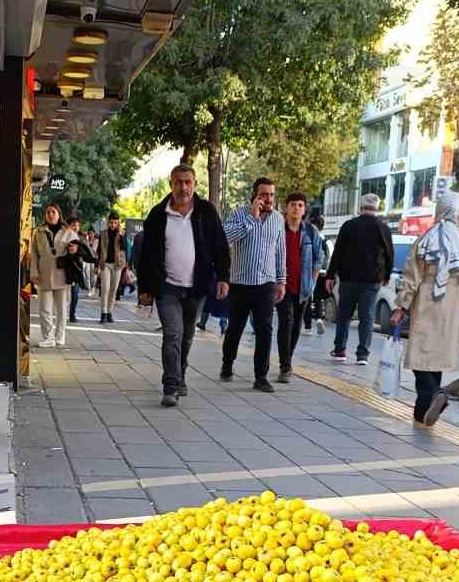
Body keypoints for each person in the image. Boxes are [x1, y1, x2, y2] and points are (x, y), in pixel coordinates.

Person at [137, 163, 231, 408]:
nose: (183, 187)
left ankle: (181, 375)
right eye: (178, 182)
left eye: (188, 182)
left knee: (187, 336)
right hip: (167, 286)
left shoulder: (206, 212)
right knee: (172, 333)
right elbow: (145, 256)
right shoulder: (158, 214)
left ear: (195, 184)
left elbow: (221, 246)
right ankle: (171, 385)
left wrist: (223, 277)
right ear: (171, 184)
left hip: (197, 287)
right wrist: (145, 289)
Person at [391, 190, 459, 427]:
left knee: (420, 355)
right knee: (436, 357)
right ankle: (423, 411)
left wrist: (401, 307)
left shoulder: (427, 237)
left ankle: (432, 396)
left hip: (427, 297)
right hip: (454, 301)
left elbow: (411, 275)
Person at [220, 177, 288, 392]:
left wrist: (281, 281)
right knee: (235, 328)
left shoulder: (278, 219)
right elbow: (226, 237)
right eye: (264, 194)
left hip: (265, 284)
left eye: (271, 195)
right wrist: (251, 218)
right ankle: (227, 363)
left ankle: (261, 376)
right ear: (254, 195)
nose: (268, 199)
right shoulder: (240, 214)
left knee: (265, 329)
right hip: (241, 282)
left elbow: (280, 251)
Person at [329, 193, 394, 364]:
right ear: (377, 207)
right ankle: (363, 354)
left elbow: (338, 253)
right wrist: (386, 275)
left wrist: (330, 275)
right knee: (367, 317)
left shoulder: (349, 226)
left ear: (361, 206)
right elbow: (389, 254)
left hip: (349, 278)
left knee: (344, 315)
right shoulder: (383, 228)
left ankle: (340, 350)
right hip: (372, 280)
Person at [277, 191, 326, 382]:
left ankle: (287, 359)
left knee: (296, 324)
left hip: (303, 286)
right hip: (282, 284)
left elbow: (318, 258)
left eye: (300, 205)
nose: (296, 208)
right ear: (286, 207)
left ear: (304, 209)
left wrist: (312, 281)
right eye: (293, 205)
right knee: (286, 321)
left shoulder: (311, 231)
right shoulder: (278, 228)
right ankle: (285, 366)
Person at [31, 202, 70, 347]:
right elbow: (34, 254)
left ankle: (60, 336)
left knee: (61, 309)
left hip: (62, 274)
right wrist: (34, 272)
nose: (50, 214)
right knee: (45, 309)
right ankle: (48, 337)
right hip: (44, 274)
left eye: (53, 212)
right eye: (48, 212)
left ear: (59, 214)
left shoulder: (68, 231)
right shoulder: (39, 232)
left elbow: (78, 249)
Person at [98, 213, 129, 323]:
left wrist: (121, 235)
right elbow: (98, 250)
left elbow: (125, 248)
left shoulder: (121, 234)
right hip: (105, 264)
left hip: (117, 265)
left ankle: (110, 312)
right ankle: (103, 313)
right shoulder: (102, 233)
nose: (113, 224)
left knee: (114, 289)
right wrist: (97, 265)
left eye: (115, 222)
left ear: (118, 223)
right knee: (105, 288)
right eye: (111, 222)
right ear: (108, 222)